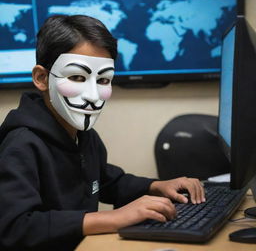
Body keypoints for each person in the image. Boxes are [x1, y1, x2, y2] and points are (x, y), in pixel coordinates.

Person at [0, 15, 205, 251]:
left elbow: (107, 181)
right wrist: (114, 218)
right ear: (42, 78)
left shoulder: (83, 135)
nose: (92, 94)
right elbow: (14, 227)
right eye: (77, 77)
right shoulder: (21, 144)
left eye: (104, 79)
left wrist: (156, 186)